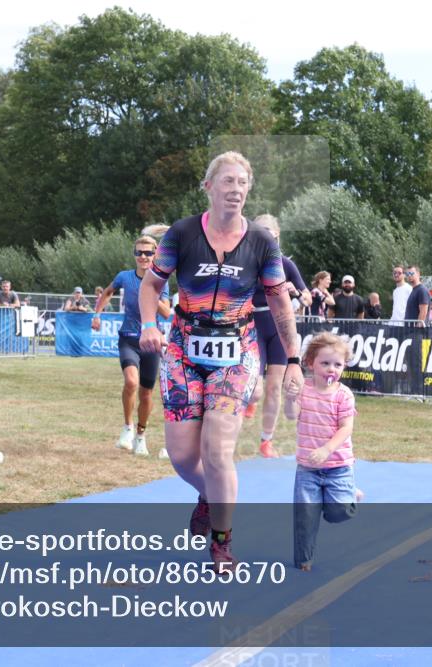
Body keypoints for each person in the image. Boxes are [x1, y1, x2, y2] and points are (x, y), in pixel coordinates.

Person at [137, 151, 302, 571]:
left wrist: (294, 358)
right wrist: (148, 325)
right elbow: (151, 285)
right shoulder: (182, 233)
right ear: (209, 187)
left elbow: (280, 302)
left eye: (242, 183)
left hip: (236, 351)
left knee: (217, 450)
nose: (235, 189)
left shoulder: (262, 243)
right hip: (183, 348)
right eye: (227, 181)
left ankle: (222, 542)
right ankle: (210, 496)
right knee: (181, 455)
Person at [283, 332, 360, 572]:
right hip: (308, 469)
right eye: (325, 363)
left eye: (337, 365)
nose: (331, 369)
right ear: (310, 363)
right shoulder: (304, 389)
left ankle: (349, 494)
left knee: (339, 512)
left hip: (338, 466)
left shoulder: (343, 395)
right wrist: (290, 399)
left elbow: (346, 428)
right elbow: (291, 415)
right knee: (305, 518)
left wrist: (327, 449)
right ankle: (303, 561)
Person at [92, 234, 172, 458]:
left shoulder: (161, 281)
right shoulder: (124, 277)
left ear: (155, 255)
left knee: (146, 394)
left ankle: (140, 436)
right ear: (134, 255)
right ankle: (127, 428)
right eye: (139, 252)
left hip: (151, 342)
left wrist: (150, 291)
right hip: (128, 338)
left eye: (148, 253)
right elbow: (108, 292)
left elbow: (166, 313)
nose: (143, 256)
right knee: (131, 382)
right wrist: (97, 314)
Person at [244, 214, 311, 459]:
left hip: (280, 328)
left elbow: (307, 297)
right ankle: (249, 402)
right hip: (253, 325)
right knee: (256, 390)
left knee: (274, 389)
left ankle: (266, 441)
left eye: (269, 235)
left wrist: (298, 293)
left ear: (277, 236)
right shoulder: (246, 262)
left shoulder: (285, 264)